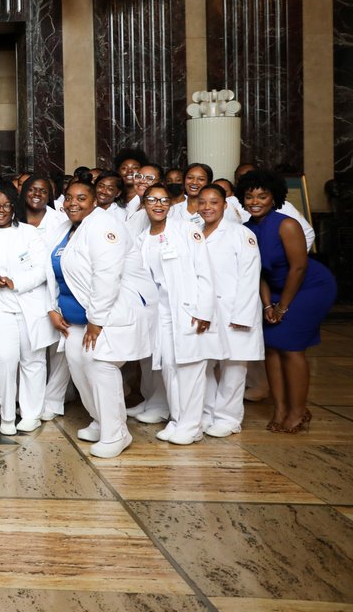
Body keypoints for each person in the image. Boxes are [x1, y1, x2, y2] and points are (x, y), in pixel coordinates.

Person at [47, 180, 147, 459]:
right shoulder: (66, 228)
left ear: (94, 201)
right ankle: (101, 420)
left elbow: (107, 275)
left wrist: (97, 320)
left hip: (105, 316)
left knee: (100, 366)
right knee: (79, 366)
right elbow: (52, 272)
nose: (73, 203)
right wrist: (52, 307)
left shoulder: (104, 226)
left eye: (81, 198)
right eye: (68, 198)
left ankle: (117, 433)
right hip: (74, 319)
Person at [239, 169, 337, 433]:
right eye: (249, 196)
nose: (255, 201)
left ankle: (297, 410)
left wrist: (283, 306)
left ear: (274, 198)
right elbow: (255, 272)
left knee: (292, 347)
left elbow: (298, 268)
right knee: (271, 347)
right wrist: (268, 304)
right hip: (274, 289)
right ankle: (280, 408)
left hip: (309, 288)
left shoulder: (286, 224)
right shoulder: (245, 230)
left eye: (262, 195)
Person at [0, 186, 56, 435]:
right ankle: (6, 416)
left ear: (14, 207)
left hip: (29, 303)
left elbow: (42, 268)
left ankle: (30, 414)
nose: (1, 210)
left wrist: (17, 282)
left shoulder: (29, 233)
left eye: (6, 205)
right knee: (3, 360)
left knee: (32, 361)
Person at [138, 183, 218, 445]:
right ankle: (177, 419)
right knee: (169, 368)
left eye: (164, 200)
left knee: (191, 369)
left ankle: (192, 426)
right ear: (144, 203)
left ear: (170, 204)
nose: (158, 204)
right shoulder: (142, 239)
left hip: (189, 311)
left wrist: (204, 310)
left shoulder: (187, 230)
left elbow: (205, 271)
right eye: (152, 200)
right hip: (161, 313)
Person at [197, 184, 263, 437]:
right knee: (205, 363)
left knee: (234, 366)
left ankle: (228, 418)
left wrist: (242, 316)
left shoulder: (240, 233)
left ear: (225, 205)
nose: (207, 208)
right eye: (203, 202)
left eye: (214, 202)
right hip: (206, 310)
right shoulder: (195, 233)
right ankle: (208, 412)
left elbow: (250, 276)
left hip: (235, 309)